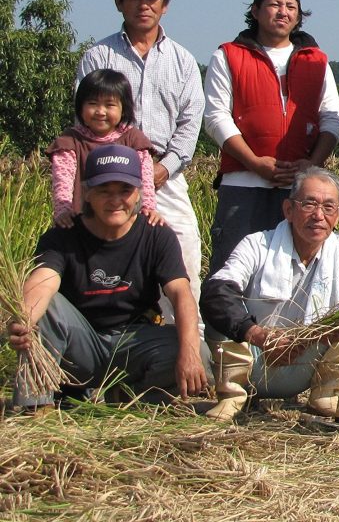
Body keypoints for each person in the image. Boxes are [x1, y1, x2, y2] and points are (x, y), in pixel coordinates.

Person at [7, 145, 206, 408]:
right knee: (46, 308)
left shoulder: (157, 235)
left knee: (188, 346)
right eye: (104, 190)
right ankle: (36, 406)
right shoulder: (62, 236)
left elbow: (181, 292)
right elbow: (44, 281)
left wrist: (190, 351)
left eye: (125, 190)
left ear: (138, 193)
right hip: (79, 345)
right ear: (87, 192)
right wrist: (23, 321)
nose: (115, 200)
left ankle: (133, 401)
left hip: (132, 341)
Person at [78, 0, 206, 313]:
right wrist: (118, 166)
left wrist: (163, 168)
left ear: (165, 4)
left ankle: (187, 346)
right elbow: (87, 118)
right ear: (119, 2)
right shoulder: (98, 56)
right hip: (108, 177)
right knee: (97, 261)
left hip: (167, 178)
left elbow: (190, 122)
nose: (144, 4)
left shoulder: (182, 60)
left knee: (184, 257)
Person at [199, 167, 339, 422]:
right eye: (309, 204)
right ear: (289, 210)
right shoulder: (256, 244)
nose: (318, 215)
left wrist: (319, 334)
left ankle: (325, 394)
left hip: (309, 358)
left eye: (328, 207)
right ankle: (232, 397)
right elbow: (218, 291)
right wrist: (257, 335)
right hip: (256, 357)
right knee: (220, 318)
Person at [203, 0, 339, 276]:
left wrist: (312, 165)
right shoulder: (228, 55)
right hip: (243, 185)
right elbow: (216, 117)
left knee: (294, 271)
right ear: (254, 11)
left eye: (291, 6)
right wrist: (254, 162)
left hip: (298, 188)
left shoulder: (316, 60)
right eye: (274, 4)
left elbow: (332, 118)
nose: (283, 12)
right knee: (232, 270)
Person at [48, 69, 160, 228]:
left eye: (110, 105)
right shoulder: (70, 140)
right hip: (81, 224)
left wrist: (148, 208)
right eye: (92, 104)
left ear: (124, 109)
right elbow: (63, 181)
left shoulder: (134, 139)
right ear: (80, 106)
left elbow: (146, 181)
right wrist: (63, 211)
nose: (100, 112)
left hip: (127, 224)